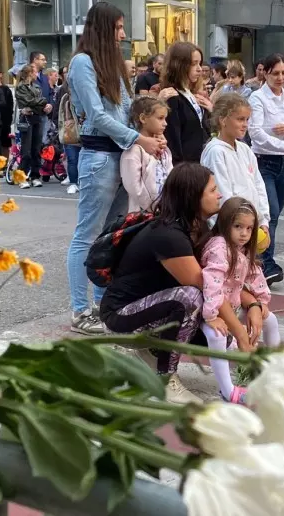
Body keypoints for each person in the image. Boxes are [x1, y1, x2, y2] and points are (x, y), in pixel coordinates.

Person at [66, 2, 166, 334]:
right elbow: (96, 116)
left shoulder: (112, 65)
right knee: (87, 235)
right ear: (103, 28)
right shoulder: (82, 63)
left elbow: (124, 109)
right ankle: (81, 310)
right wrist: (140, 138)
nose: (123, 34)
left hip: (120, 156)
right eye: (118, 27)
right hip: (99, 157)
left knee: (112, 237)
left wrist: (149, 123)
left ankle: (105, 304)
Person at [100, 164, 222, 404]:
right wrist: (237, 330)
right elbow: (204, 286)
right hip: (120, 316)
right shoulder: (168, 235)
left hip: (148, 308)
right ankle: (166, 378)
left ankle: (151, 351)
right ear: (193, 196)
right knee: (190, 299)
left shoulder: (195, 227)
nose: (219, 194)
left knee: (218, 323)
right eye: (213, 190)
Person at [200, 198, 280, 404]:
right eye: (238, 226)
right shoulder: (219, 248)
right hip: (210, 309)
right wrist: (211, 316)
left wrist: (261, 301)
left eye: (249, 228)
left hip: (232, 305)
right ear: (225, 223)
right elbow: (212, 282)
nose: (244, 233)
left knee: (270, 320)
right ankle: (227, 390)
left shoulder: (240, 247)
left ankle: (274, 368)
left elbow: (254, 274)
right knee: (216, 334)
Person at [248, 55, 284, 283]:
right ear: (266, 73)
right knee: (269, 211)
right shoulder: (257, 97)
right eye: (276, 73)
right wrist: (283, 142)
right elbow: (257, 133)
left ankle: (260, 259)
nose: (281, 78)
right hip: (264, 160)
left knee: (276, 212)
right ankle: (266, 262)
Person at [200, 94, 270, 231]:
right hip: (229, 227)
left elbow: (258, 185)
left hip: (249, 225)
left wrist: (263, 220)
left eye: (247, 119)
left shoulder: (245, 149)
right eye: (240, 119)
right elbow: (222, 193)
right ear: (223, 120)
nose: (245, 124)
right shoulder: (216, 152)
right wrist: (234, 225)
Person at [161, 42, 212, 163]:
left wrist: (211, 110)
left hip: (201, 161)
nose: (199, 69)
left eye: (199, 63)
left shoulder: (192, 94)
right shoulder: (172, 96)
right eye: (194, 64)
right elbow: (173, 140)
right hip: (186, 167)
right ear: (179, 65)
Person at [121, 97, 173, 213]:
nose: (165, 123)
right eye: (160, 118)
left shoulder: (164, 148)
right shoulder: (134, 151)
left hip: (165, 210)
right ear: (143, 118)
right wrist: (153, 208)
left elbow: (170, 176)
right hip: (143, 213)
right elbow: (134, 188)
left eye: (165, 118)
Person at [14, 66, 46, 188]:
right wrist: (42, 102)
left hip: (36, 117)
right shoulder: (21, 87)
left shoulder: (36, 86)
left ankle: (35, 175)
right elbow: (28, 101)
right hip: (26, 119)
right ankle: (21, 177)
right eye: (35, 72)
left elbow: (35, 102)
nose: (36, 74)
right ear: (30, 73)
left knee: (36, 148)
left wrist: (41, 104)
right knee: (26, 150)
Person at [55, 78, 80, 195]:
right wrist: (61, 129)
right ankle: (73, 183)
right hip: (70, 133)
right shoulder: (65, 98)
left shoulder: (86, 97)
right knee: (72, 159)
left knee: (82, 160)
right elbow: (59, 114)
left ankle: (80, 182)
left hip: (84, 132)